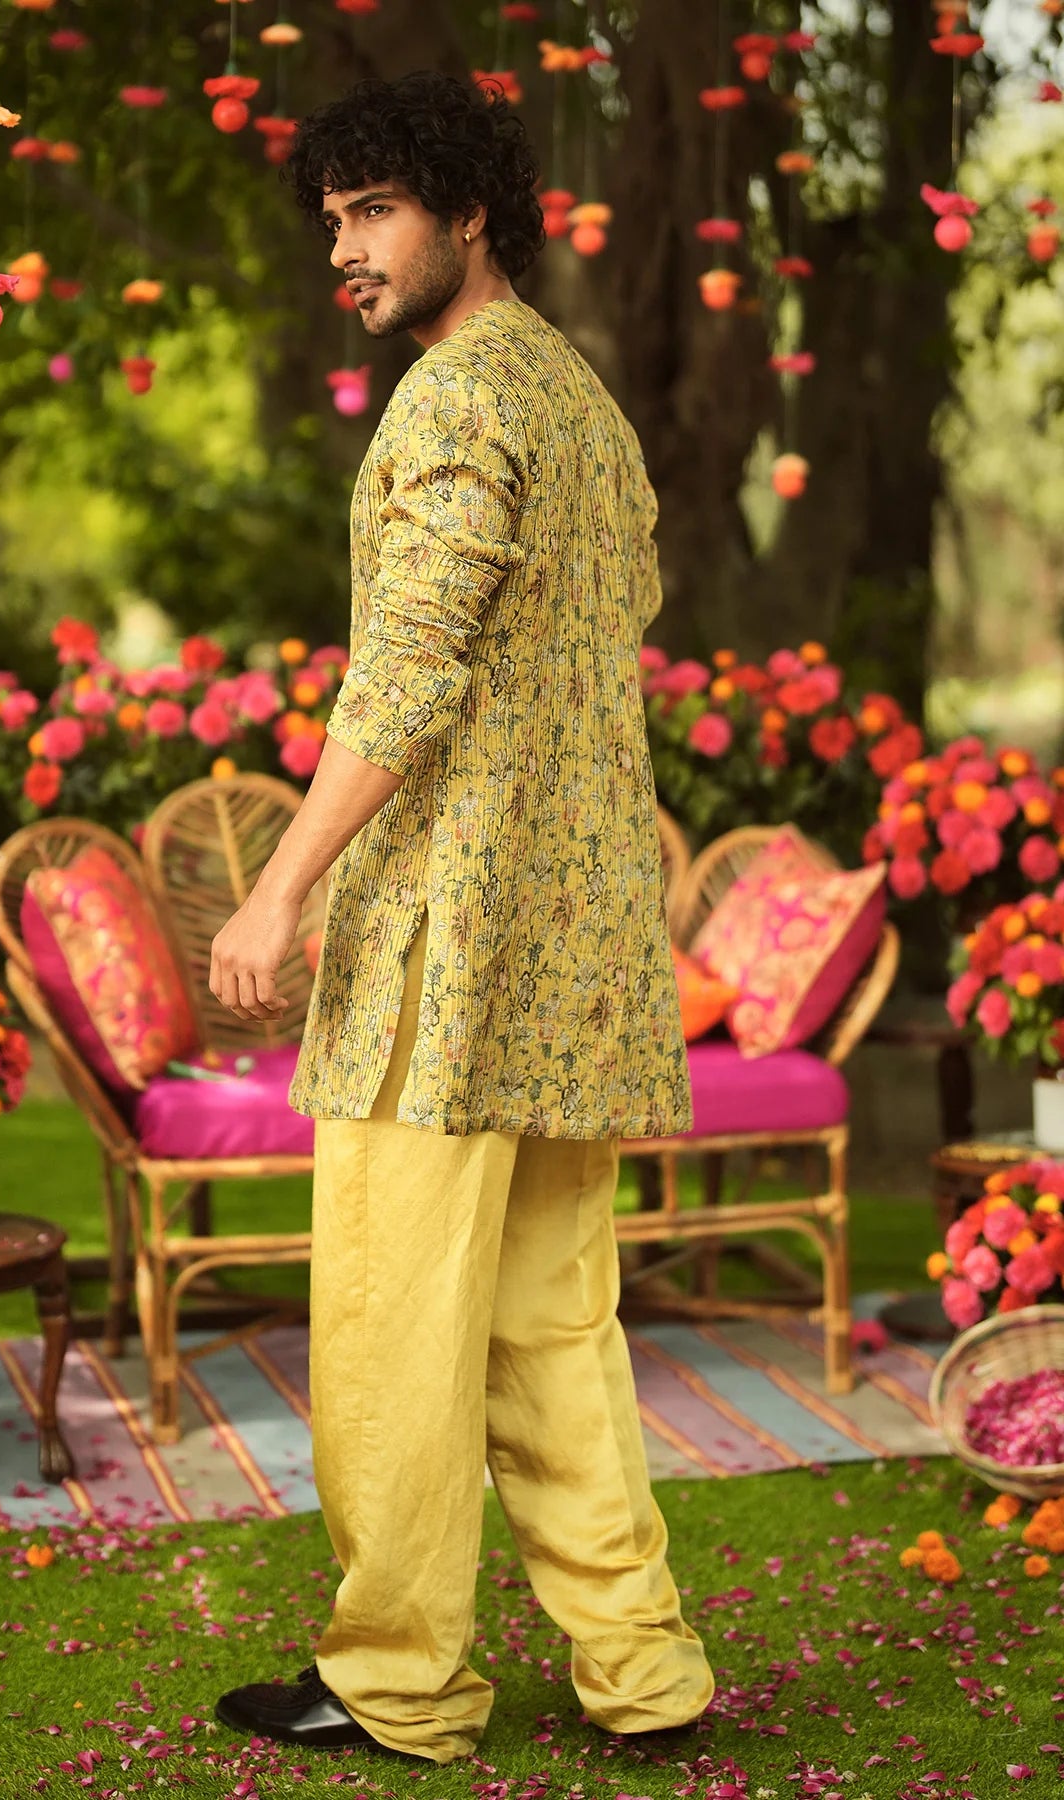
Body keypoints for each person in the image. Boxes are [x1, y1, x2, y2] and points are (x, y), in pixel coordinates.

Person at [208, 69, 715, 1766]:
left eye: (375, 212)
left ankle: (400, 1680)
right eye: (333, 220)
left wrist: (279, 887)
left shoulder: (452, 402)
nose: (343, 251)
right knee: (554, 1325)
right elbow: (617, 612)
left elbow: (411, 672)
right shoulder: (576, 396)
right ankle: (641, 1669)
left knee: (390, 1327)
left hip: (448, 935)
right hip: (574, 947)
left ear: (469, 209)